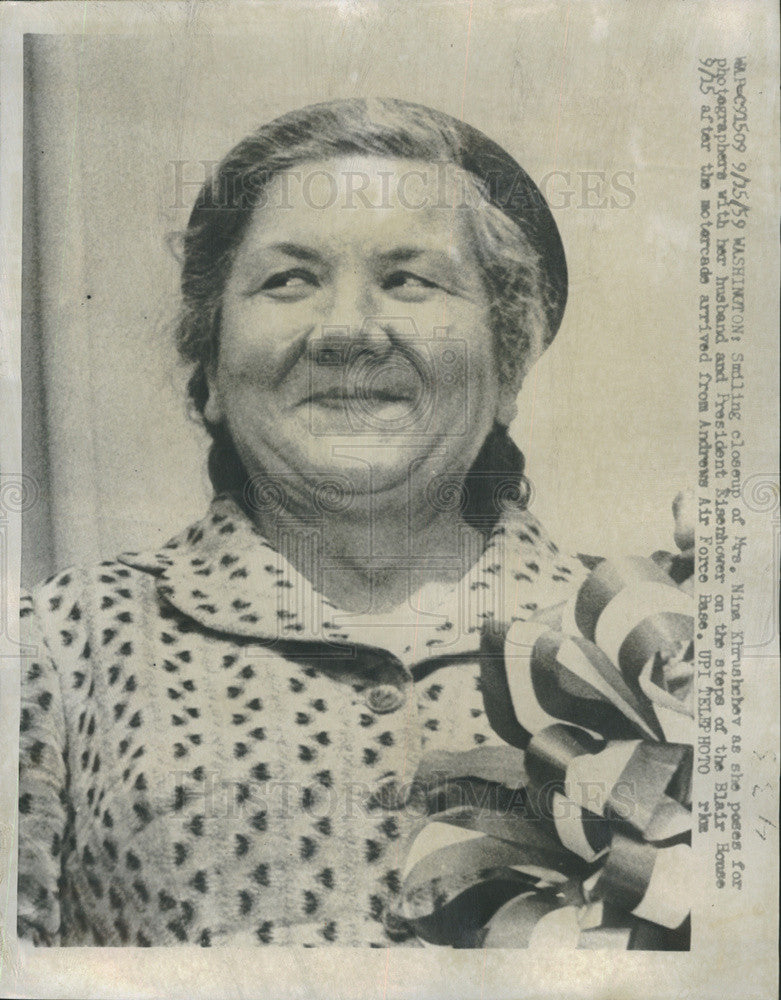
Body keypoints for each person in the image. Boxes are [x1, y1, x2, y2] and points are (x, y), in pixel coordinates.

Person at [18, 98, 689, 949]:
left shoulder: (648, 641)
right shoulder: (55, 648)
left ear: (508, 363)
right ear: (213, 366)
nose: (346, 331)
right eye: (287, 279)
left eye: (410, 280)